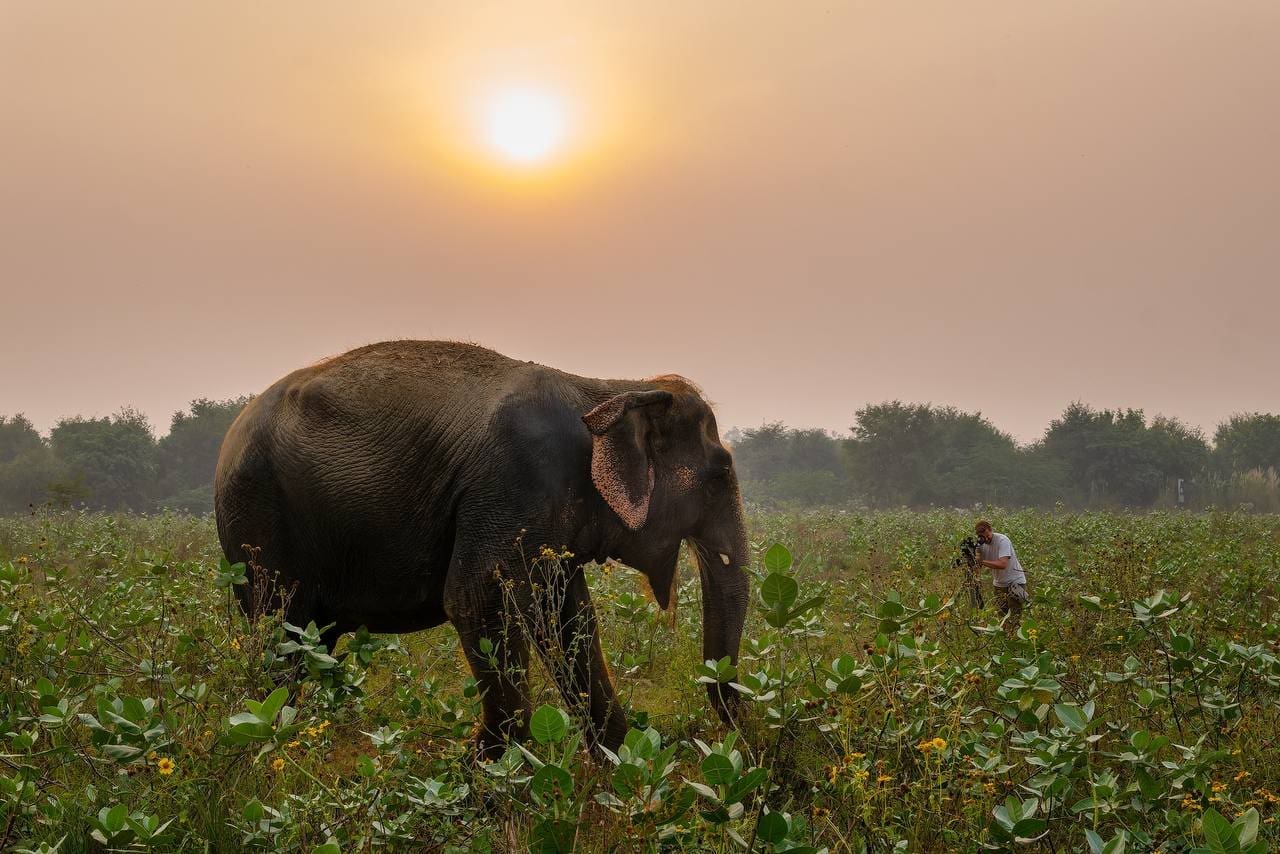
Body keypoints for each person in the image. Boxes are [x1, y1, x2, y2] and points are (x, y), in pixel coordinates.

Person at [975, 519, 1028, 637]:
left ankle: (1014, 639)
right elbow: (977, 567)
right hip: (999, 584)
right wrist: (975, 557)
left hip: (1015, 582)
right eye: (983, 537)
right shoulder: (981, 545)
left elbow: (1002, 564)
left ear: (991, 530)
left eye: (988, 535)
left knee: (1014, 616)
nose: (986, 539)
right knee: (1002, 617)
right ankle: (1005, 640)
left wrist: (981, 561)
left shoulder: (1002, 540)